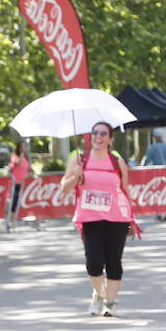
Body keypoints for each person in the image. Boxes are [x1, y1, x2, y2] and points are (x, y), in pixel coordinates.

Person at [60, 122, 136, 317]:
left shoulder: (116, 162)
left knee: (114, 261)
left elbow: (125, 190)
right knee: (93, 262)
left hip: (117, 218)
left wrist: (132, 218)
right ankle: (99, 293)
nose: (98, 137)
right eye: (95, 133)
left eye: (103, 134)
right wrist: (75, 176)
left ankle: (110, 303)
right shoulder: (79, 160)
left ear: (110, 139)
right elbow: (65, 188)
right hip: (90, 218)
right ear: (90, 136)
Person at [7, 142, 31, 214]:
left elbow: (27, 168)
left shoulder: (26, 158)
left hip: (24, 183)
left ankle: (17, 217)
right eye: (22, 147)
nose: (24, 148)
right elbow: (19, 163)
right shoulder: (14, 156)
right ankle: (11, 218)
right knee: (14, 201)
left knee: (21, 201)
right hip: (15, 183)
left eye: (25, 147)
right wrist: (22, 153)